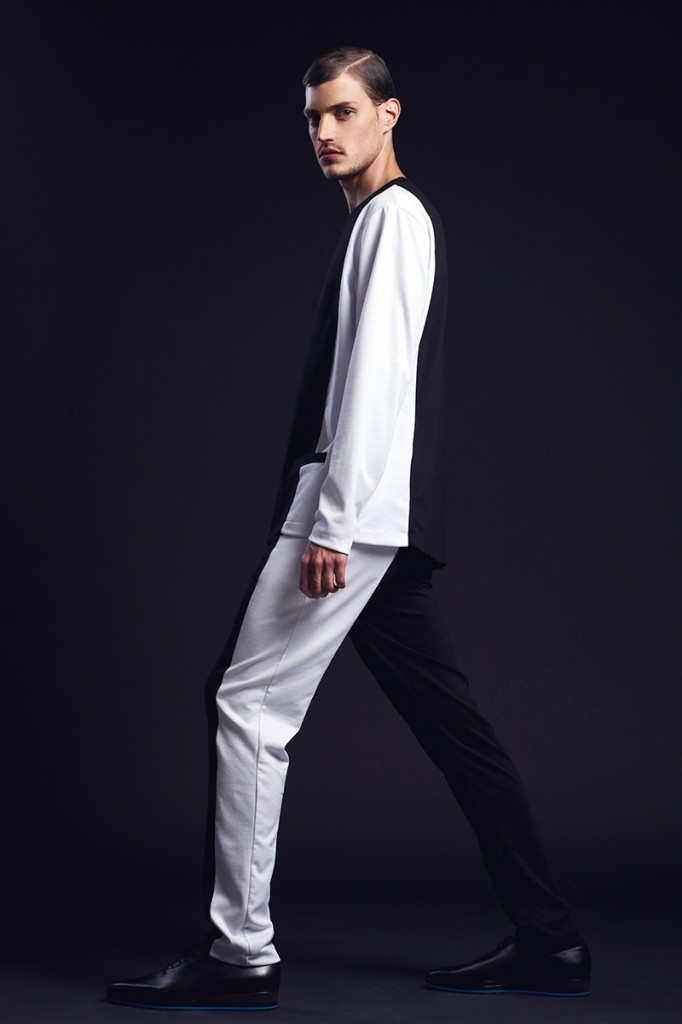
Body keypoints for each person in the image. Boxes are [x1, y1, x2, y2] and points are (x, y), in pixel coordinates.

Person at [107, 46, 591, 1011]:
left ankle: (240, 955)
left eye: (342, 112)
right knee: (454, 728)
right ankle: (551, 939)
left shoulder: (393, 219)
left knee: (247, 706)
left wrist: (332, 523)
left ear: (388, 114)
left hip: (350, 515)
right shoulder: (377, 220)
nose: (325, 132)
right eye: (312, 118)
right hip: (370, 516)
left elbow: (378, 383)